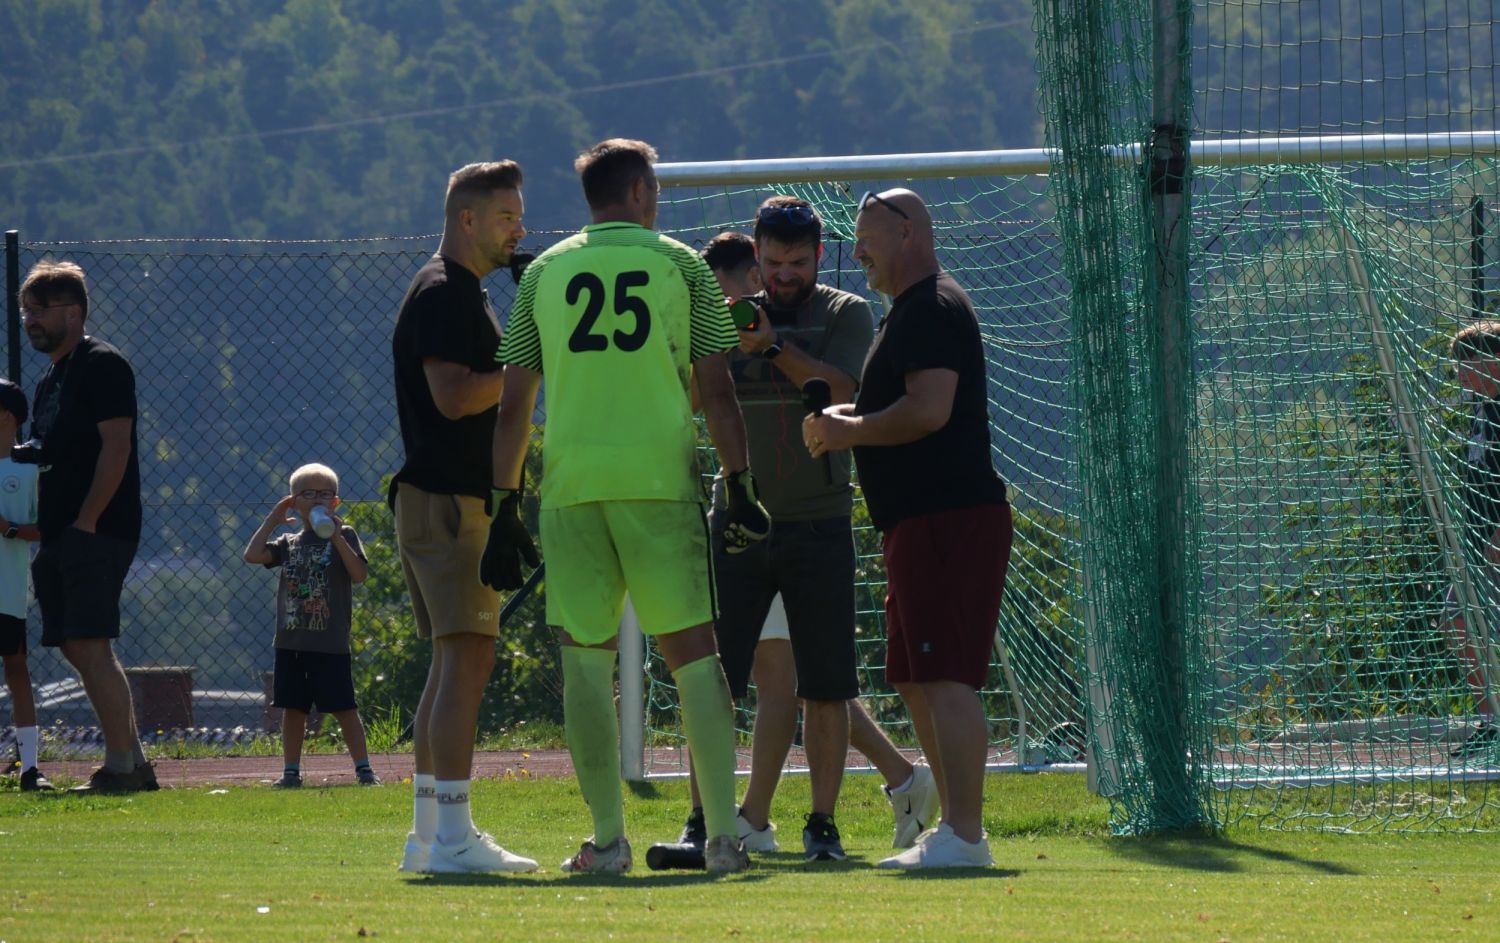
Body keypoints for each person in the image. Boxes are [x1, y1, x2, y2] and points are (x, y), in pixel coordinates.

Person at [484, 137, 769, 875]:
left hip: (572, 490)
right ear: (640, 191)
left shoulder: (543, 272)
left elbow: (514, 405)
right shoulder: (682, 265)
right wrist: (740, 483)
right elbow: (717, 388)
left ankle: (607, 842)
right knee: (696, 657)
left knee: (586, 662)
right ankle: (723, 840)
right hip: (659, 484)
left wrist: (504, 503)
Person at [678, 211, 938, 862]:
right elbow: (689, 400)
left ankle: (822, 824)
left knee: (826, 685)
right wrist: (710, 337)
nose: (784, 275)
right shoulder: (726, 316)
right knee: (715, 679)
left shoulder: (847, 313)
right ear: (756, 256)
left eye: (798, 263)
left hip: (819, 519)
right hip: (738, 521)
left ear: (820, 255)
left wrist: (772, 348)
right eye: (773, 263)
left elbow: (846, 389)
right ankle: (703, 820)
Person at [804, 189, 1011, 869]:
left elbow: (928, 410)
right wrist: (847, 420)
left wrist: (848, 431)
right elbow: (900, 405)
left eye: (866, 237)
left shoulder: (931, 307)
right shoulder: (910, 311)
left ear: (907, 233)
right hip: (918, 524)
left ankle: (966, 836)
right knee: (916, 677)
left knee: (945, 676)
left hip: (947, 519)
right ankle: (950, 829)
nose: (857, 250)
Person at [389, 160, 536, 874]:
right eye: (506, 217)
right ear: (466, 219)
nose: (519, 231)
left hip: (440, 499)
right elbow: (453, 397)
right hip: (449, 501)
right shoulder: (446, 289)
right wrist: (532, 361)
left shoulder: (458, 288)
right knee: (468, 661)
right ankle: (451, 837)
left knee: (453, 664)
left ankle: (428, 837)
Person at [17, 261, 155, 794]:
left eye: (40, 310)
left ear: (73, 313)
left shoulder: (103, 364)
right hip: (60, 531)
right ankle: (133, 763)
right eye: (26, 311)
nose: (30, 320)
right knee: (77, 647)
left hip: (96, 529)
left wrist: (87, 521)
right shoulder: (52, 376)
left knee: (90, 644)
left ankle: (121, 767)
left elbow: (116, 446)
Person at [243, 463, 378, 788]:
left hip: (330, 643)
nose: (318, 499)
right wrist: (273, 520)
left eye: (325, 494)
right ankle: (291, 772)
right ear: (294, 502)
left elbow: (359, 575)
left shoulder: (345, 535)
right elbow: (253, 555)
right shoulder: (289, 542)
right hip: (291, 642)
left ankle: (364, 770)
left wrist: (337, 537)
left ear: (335, 502)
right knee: (294, 708)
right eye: (308, 494)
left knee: (344, 707)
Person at [1446, 320, 1500, 759]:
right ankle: (1492, 721)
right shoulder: (1482, 407)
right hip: (1478, 544)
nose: (1460, 375)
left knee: (1463, 621)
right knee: (1457, 621)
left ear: (1493, 361)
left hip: (1495, 543)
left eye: (1466, 365)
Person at [0, 380, 49, 791]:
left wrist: (10, 529)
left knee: (16, 669)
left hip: (8, 591)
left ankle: (30, 768)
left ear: (6, 417)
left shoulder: (27, 472)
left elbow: (45, 527)